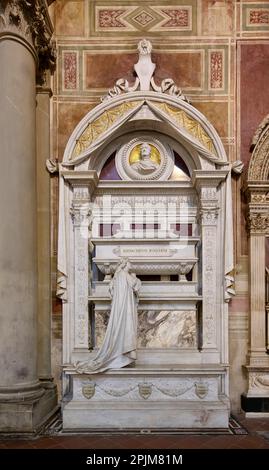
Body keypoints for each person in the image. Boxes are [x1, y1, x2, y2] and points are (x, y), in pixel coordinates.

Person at [75, 258, 141, 374]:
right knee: (127, 328)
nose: (131, 264)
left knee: (125, 329)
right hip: (125, 310)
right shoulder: (124, 275)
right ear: (125, 264)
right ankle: (124, 353)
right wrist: (135, 278)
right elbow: (135, 285)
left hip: (122, 309)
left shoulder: (117, 276)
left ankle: (123, 354)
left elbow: (113, 289)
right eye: (130, 262)